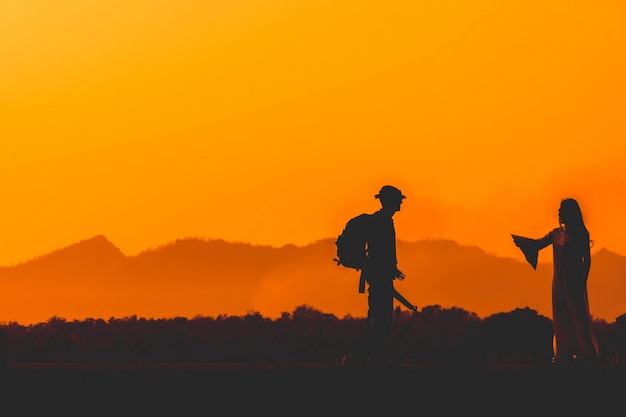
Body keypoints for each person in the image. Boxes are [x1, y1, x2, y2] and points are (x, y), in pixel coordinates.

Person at [512, 198, 599, 365]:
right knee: (561, 317)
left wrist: (582, 281)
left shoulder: (580, 234)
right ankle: (564, 353)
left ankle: (586, 352)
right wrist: (522, 242)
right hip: (558, 281)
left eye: (562, 209)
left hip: (574, 281)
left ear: (570, 212)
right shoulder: (556, 234)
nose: (558, 212)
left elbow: (586, 261)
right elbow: (537, 245)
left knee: (577, 316)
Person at [361, 185, 406, 365]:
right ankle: (374, 355)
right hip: (380, 278)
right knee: (381, 316)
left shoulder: (384, 221)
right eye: (398, 200)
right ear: (389, 201)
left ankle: (375, 354)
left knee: (380, 316)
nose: (400, 204)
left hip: (382, 276)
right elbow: (380, 252)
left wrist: (393, 270)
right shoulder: (382, 222)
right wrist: (388, 270)